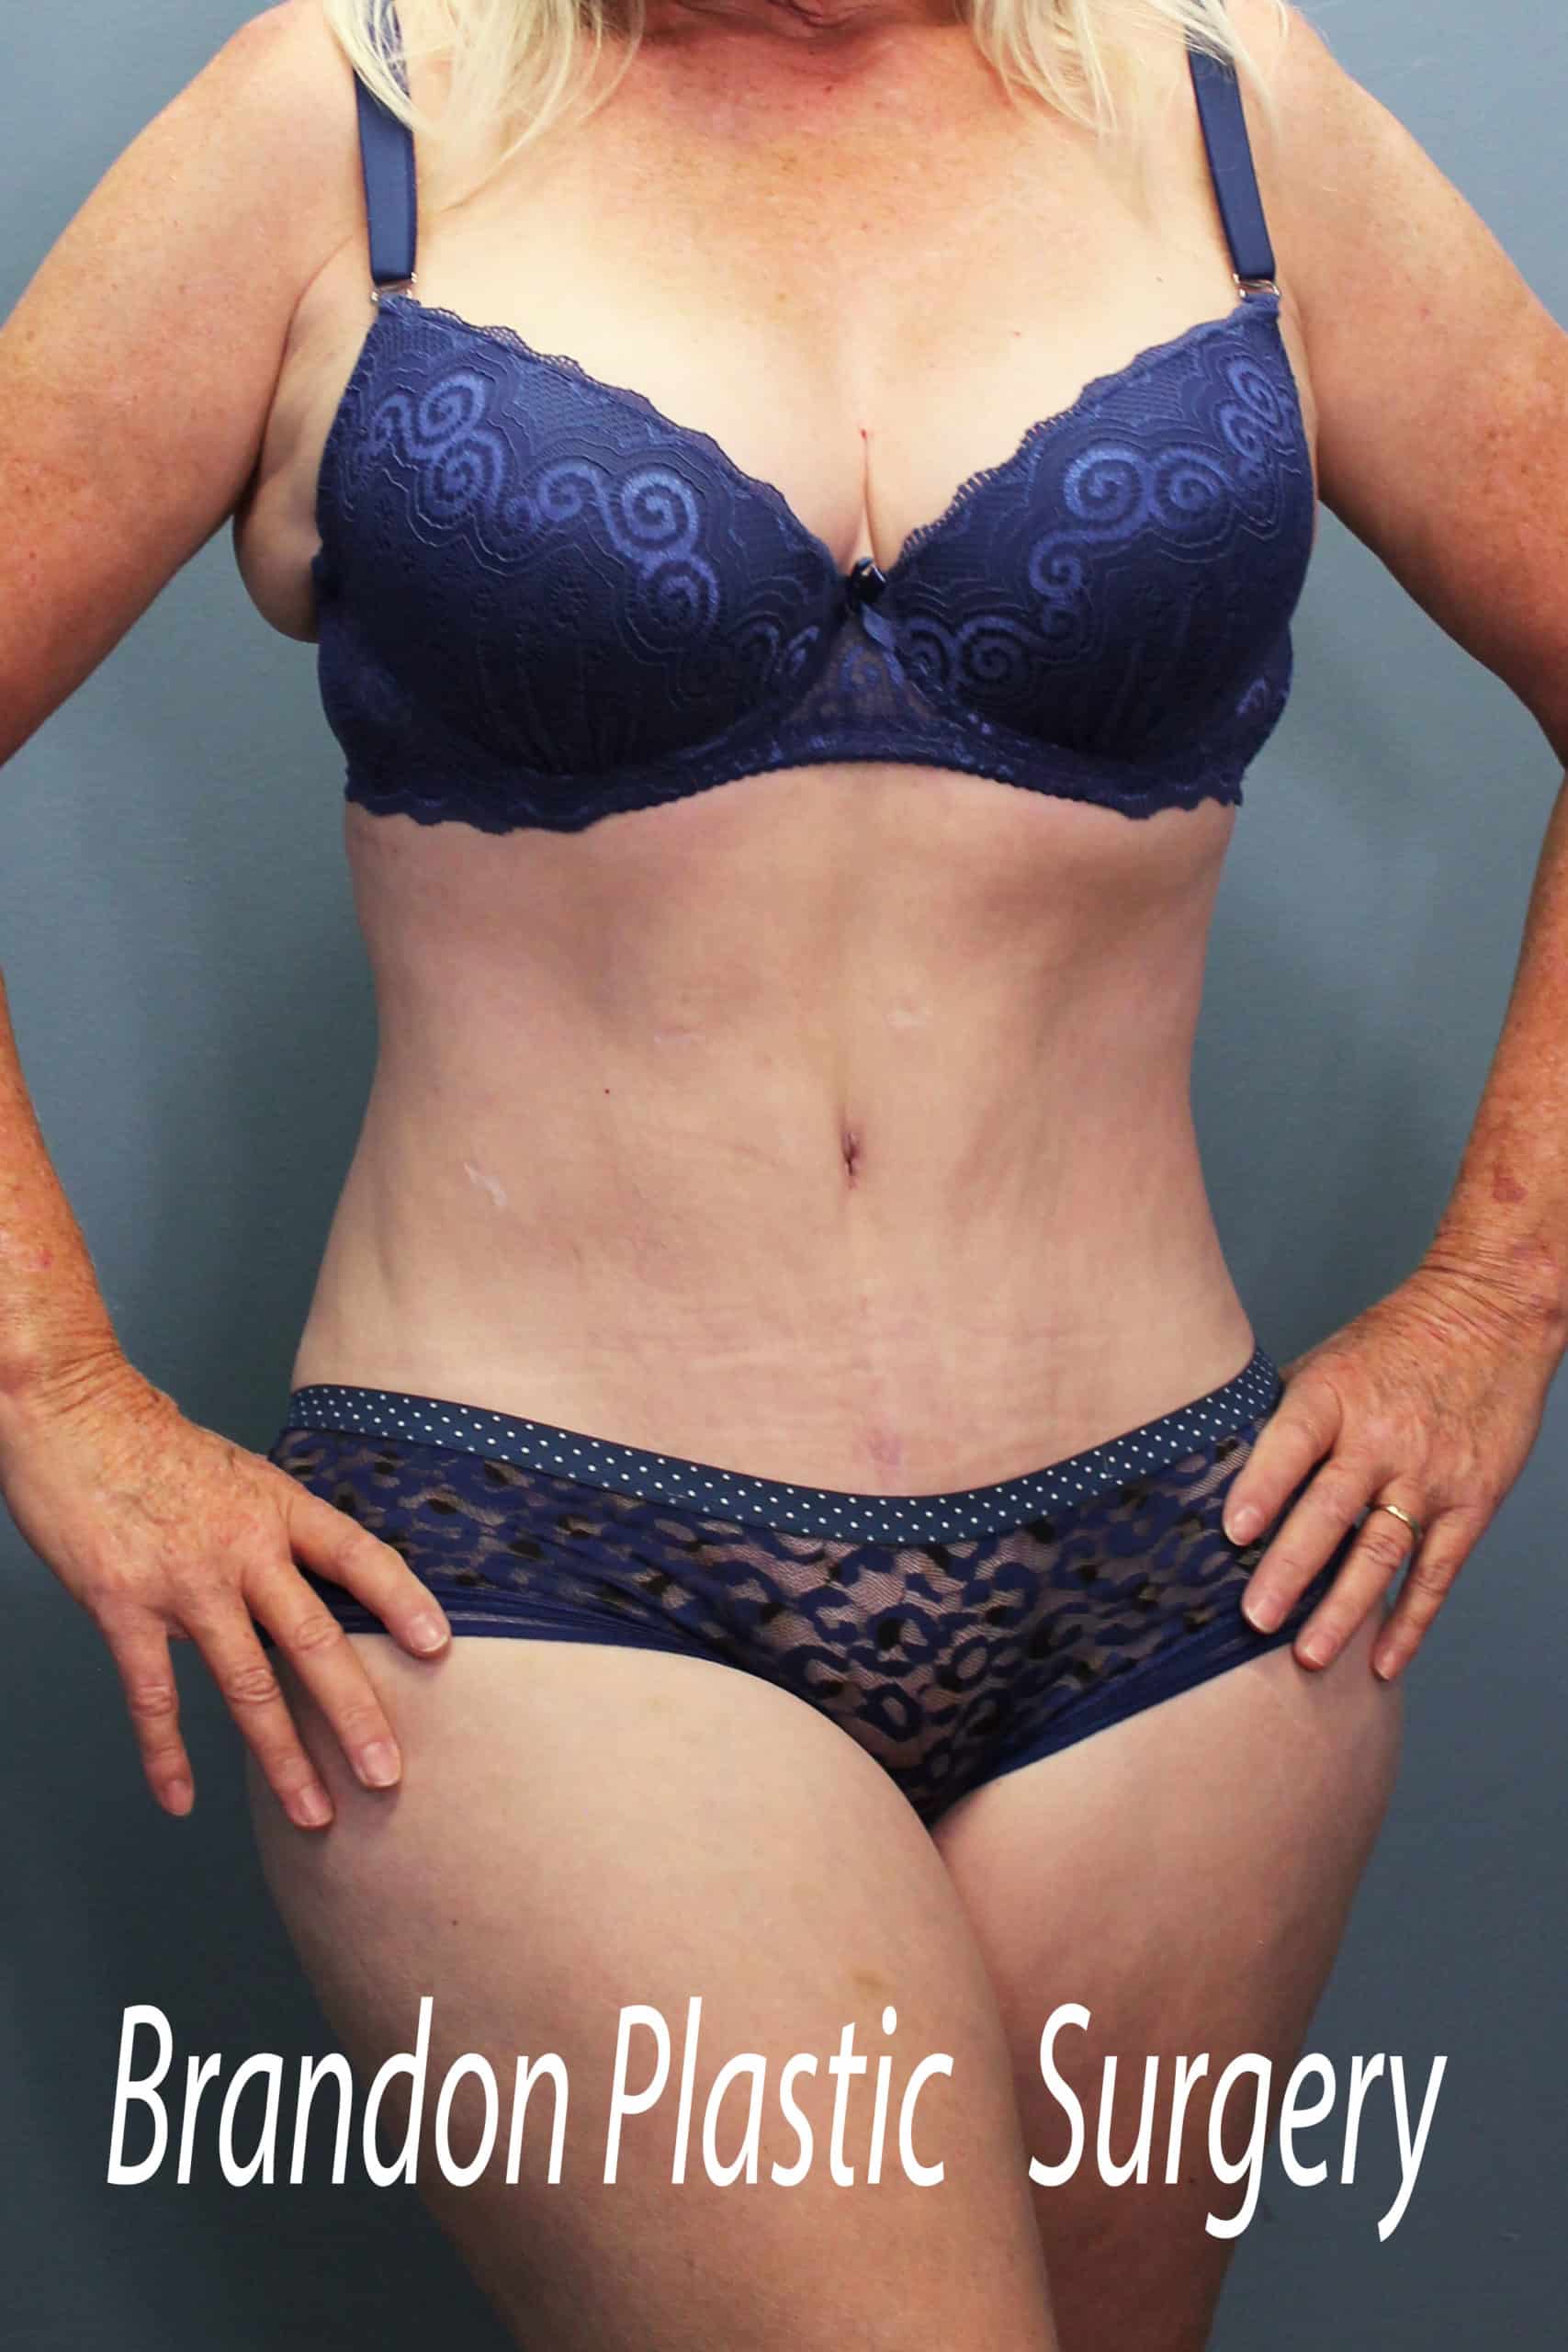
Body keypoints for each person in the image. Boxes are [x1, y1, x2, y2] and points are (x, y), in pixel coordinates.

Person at [2, 0, 1563, 2344]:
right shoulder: (350, 118)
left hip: (1180, 1583)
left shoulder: (1224, 110)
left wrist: (1494, 1294)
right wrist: (52, 1387)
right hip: (530, 1571)